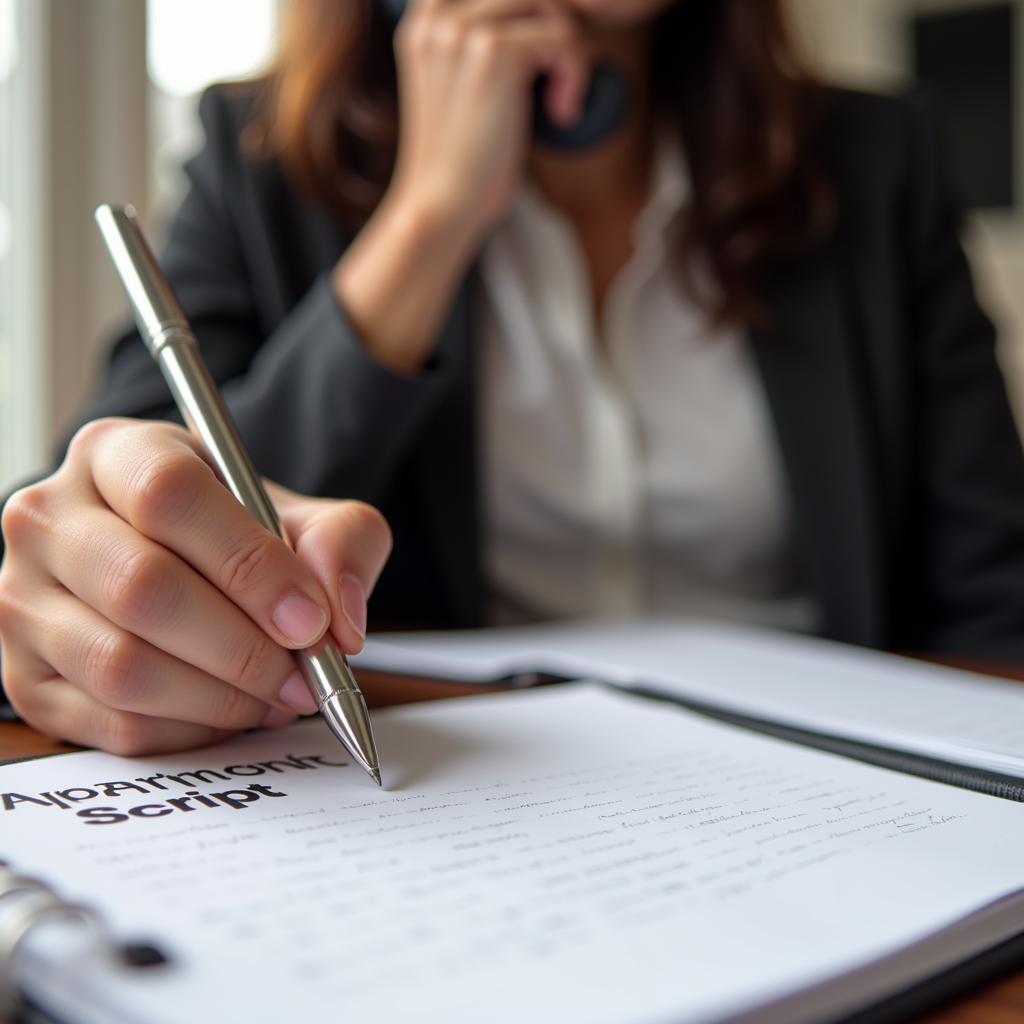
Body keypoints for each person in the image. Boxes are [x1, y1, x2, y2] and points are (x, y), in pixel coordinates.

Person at [2, 0, 1024, 755]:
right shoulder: (257, 160)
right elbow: (115, 548)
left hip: (837, 786)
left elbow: (994, 600)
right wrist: (428, 223)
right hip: (481, 789)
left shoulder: (874, 159)